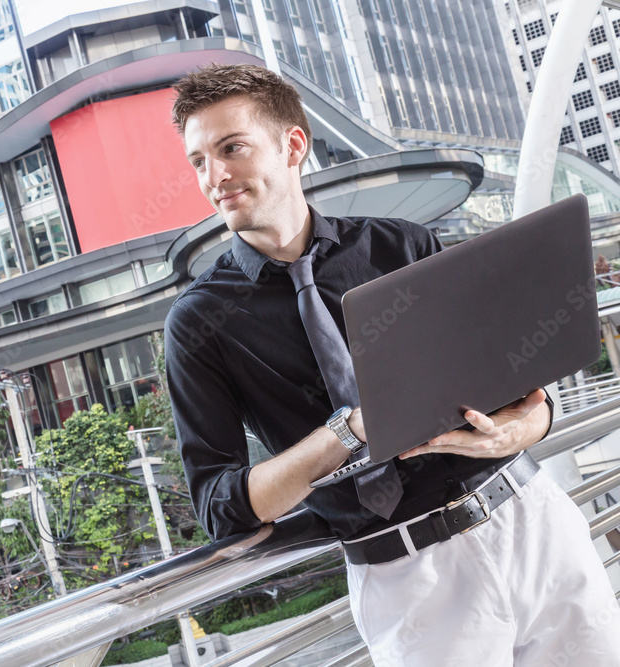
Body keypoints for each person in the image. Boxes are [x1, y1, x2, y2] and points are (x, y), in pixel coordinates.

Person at [164, 63, 620, 665]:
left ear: (293, 144)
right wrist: (348, 432)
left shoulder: (403, 246)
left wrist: (526, 426)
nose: (214, 176)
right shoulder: (199, 323)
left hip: (533, 520)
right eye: (199, 160)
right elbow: (221, 506)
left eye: (232, 148)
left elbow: (521, 390)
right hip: (410, 579)